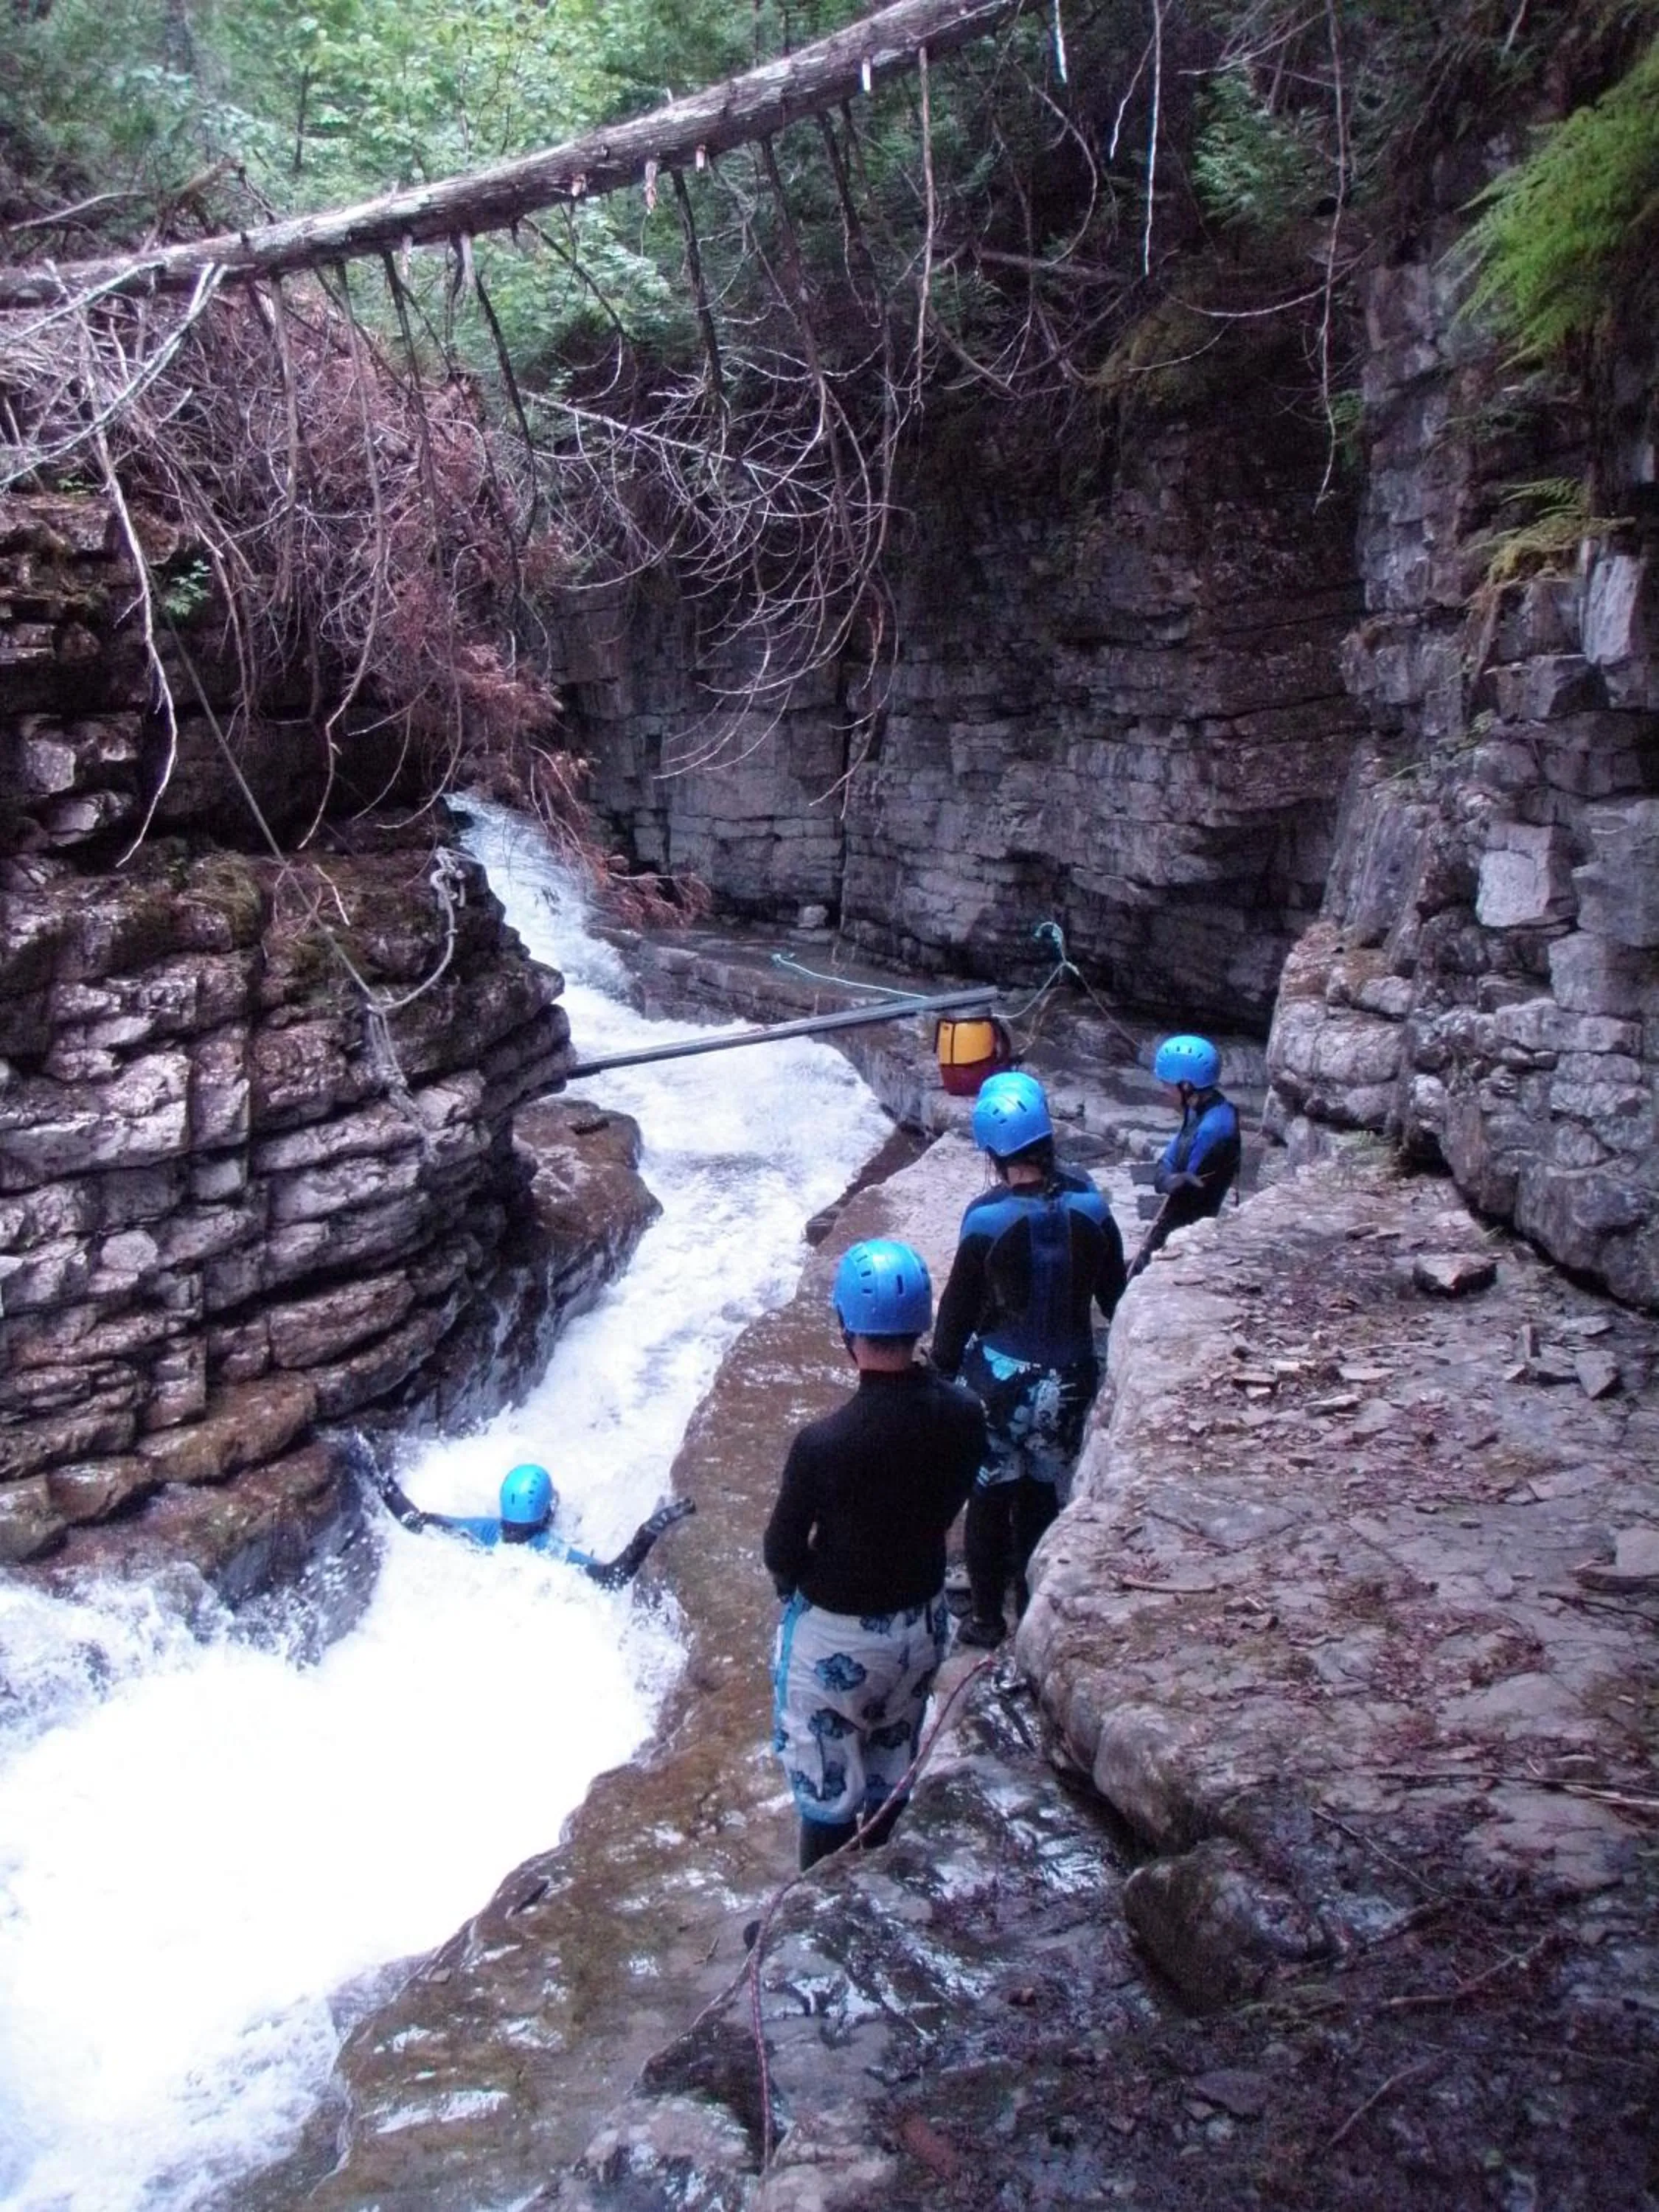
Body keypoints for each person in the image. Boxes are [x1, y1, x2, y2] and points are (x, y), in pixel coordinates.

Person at [763, 1239, 986, 1872]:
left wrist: (797, 1582)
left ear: (846, 1328)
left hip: (838, 1635)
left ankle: (815, 1910)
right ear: (921, 1323)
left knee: (829, 1788)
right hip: (920, 1621)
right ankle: (878, 1886)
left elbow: (779, 1550)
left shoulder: (823, 1443)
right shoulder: (966, 1415)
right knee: (892, 1763)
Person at [931, 1070, 1125, 1650]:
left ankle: (987, 1620)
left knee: (989, 1498)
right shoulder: (1093, 1209)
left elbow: (956, 1314)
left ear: (993, 1148)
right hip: (1069, 1376)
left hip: (998, 1383)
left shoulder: (986, 1218)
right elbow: (1115, 1297)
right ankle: (1031, 1602)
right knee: (1042, 1491)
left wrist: (940, 1371)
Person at [372, 1454, 695, 1590]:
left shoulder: (478, 1530)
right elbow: (613, 1578)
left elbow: (414, 1520)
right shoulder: (549, 1553)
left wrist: (373, 1469)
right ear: (545, 1512)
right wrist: (652, 1528)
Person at [1131, 1033, 1241, 1276]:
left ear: (1187, 1085)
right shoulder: (1199, 1109)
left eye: (1168, 1084)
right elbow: (1169, 1160)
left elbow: (1187, 1188)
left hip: (1189, 1217)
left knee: (1141, 1271)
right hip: (1181, 1206)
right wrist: (1167, 1178)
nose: (1164, 1090)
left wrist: (1169, 1180)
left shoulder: (1215, 1129)